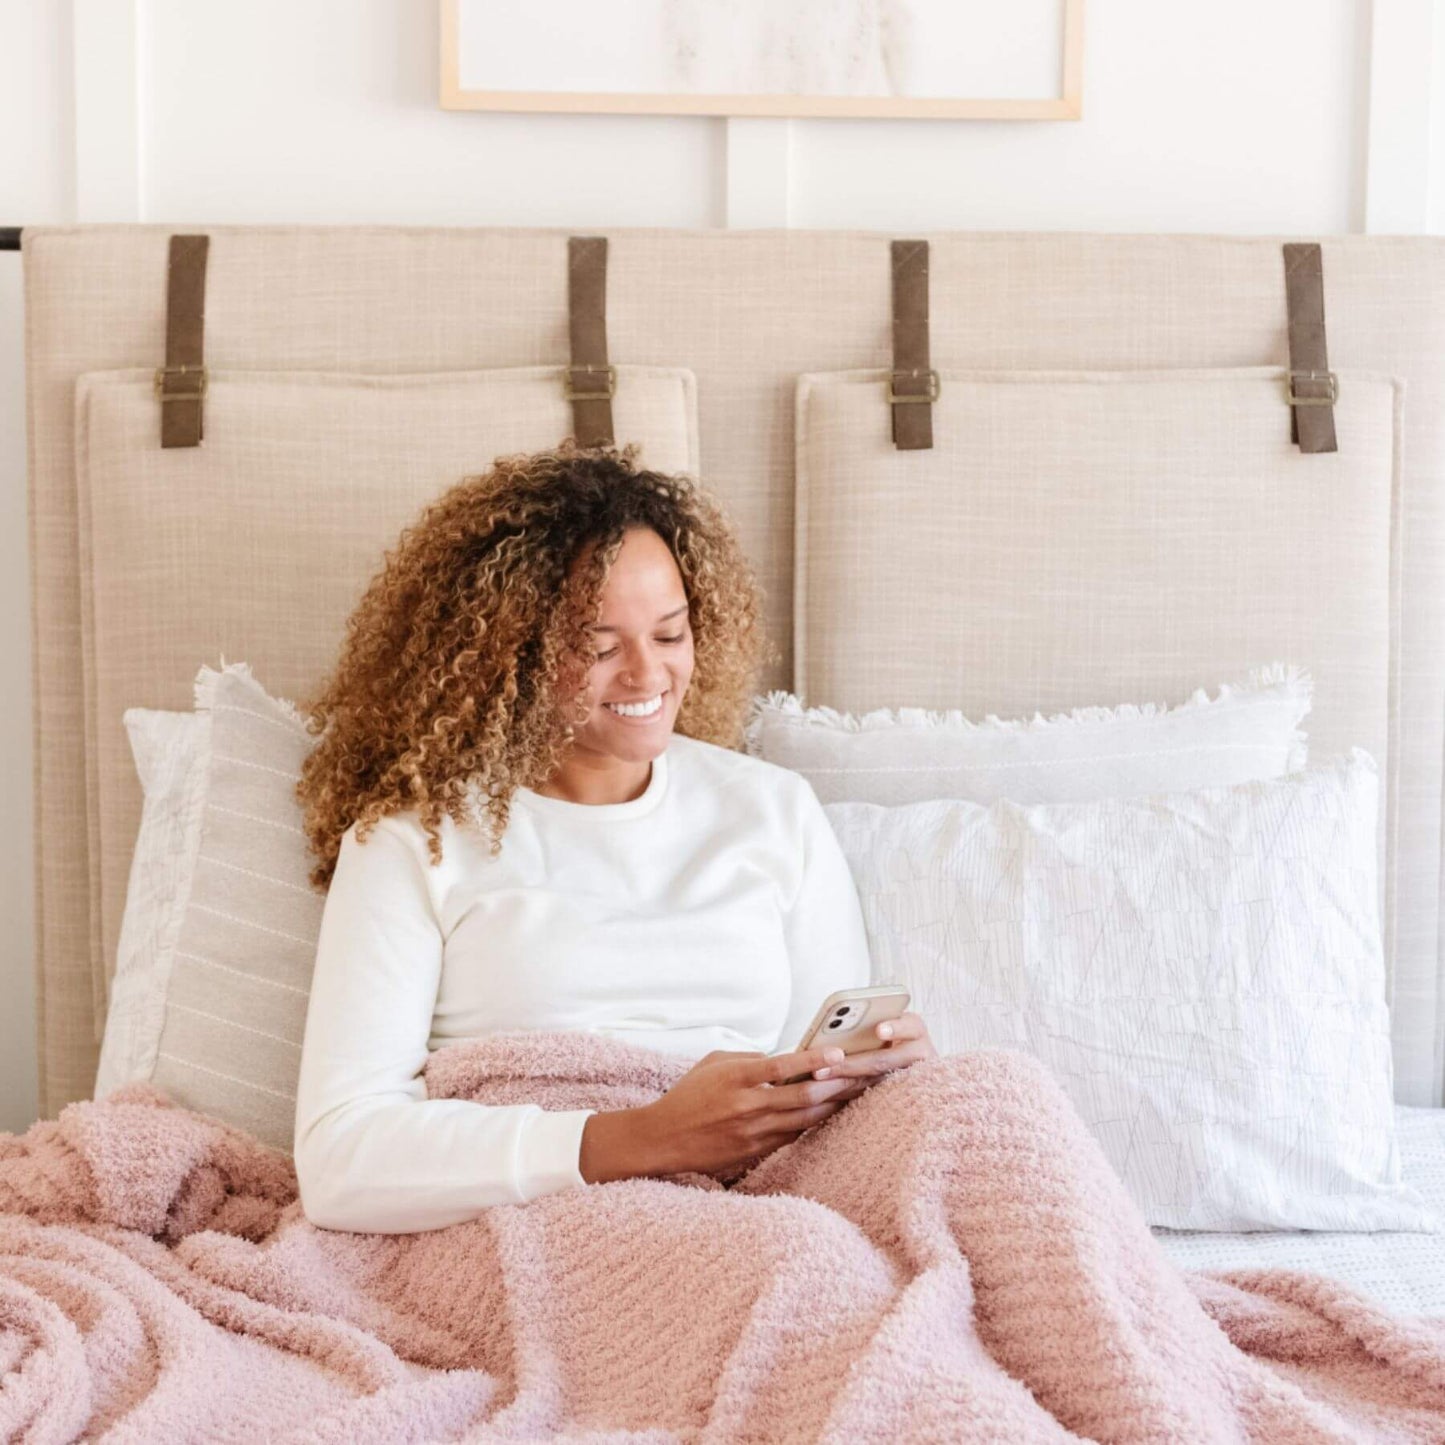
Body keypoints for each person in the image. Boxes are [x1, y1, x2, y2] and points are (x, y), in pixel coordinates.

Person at [292, 441, 937, 1232]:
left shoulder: (771, 810)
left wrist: (871, 1082)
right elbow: (338, 1158)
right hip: (551, 1219)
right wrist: (644, 1139)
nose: (646, 676)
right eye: (596, 648)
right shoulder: (413, 840)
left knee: (991, 1101)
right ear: (506, 659)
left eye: (669, 635)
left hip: (758, 1206)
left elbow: (809, 1096)